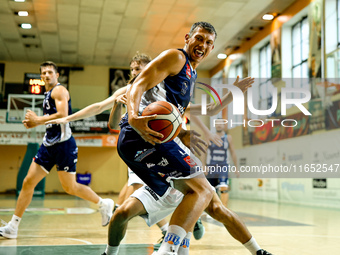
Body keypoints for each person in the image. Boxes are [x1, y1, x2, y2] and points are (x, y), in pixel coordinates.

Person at [104, 21, 271, 255]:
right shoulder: (176, 58)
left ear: (212, 48)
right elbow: (136, 85)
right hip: (143, 134)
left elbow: (209, 110)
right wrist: (132, 117)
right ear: (187, 38)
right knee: (202, 190)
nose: (203, 45)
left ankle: (256, 251)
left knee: (208, 199)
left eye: (209, 42)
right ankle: (169, 249)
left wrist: (183, 131)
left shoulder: (190, 73)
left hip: (142, 142)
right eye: (199, 38)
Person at [45, 53, 207, 244]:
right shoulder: (129, 90)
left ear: (150, 69)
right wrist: (68, 118)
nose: (134, 72)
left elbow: (192, 108)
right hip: (138, 149)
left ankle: (179, 224)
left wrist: (220, 104)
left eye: (138, 69)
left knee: (179, 193)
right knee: (145, 195)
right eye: (132, 69)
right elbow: (104, 114)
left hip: (165, 146)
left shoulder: (164, 87)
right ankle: (170, 228)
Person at [0, 61, 114, 239]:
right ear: (41, 76)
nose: (46, 75)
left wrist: (37, 120)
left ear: (57, 75)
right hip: (48, 144)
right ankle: (13, 227)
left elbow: (63, 114)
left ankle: (103, 203)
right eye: (43, 73)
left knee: (70, 187)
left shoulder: (59, 90)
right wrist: (36, 123)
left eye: (50, 72)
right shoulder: (47, 94)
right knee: (28, 182)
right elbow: (52, 119)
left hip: (64, 145)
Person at [205, 121, 239, 207]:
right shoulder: (210, 137)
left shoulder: (228, 138)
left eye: (221, 123)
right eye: (217, 123)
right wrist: (203, 165)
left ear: (224, 125)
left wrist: (236, 167)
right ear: (215, 125)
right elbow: (204, 151)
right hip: (211, 166)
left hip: (223, 166)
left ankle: (224, 209)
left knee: (224, 187)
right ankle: (213, 209)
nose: (219, 125)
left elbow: (233, 152)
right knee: (211, 190)